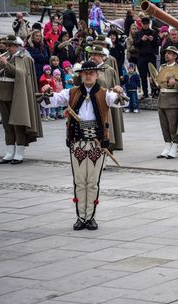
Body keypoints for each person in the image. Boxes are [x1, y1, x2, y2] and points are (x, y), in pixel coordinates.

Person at [40, 61, 128, 231]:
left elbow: (121, 102)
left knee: (93, 181)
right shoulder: (71, 92)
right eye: (85, 73)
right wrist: (47, 92)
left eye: (92, 72)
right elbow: (50, 101)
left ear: (97, 75)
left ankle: (91, 217)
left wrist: (119, 92)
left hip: (97, 144)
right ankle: (81, 217)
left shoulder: (104, 93)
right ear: (81, 75)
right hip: (77, 142)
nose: (89, 75)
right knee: (80, 181)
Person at [0, 35, 42, 164]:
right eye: (7, 45)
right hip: (1, 94)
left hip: (16, 95)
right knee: (7, 125)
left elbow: (20, 74)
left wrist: (6, 64)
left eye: (10, 46)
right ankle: (9, 151)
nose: (8, 48)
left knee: (18, 123)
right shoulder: (5, 57)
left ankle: (19, 152)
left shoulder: (23, 58)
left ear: (17, 46)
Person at [87, 45, 125, 151]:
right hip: (90, 103)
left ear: (102, 57)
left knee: (106, 130)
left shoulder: (108, 70)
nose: (93, 57)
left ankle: (107, 149)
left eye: (96, 55)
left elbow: (113, 87)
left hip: (104, 102)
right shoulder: (88, 68)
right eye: (92, 55)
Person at [133, 17, 159, 100]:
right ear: (142, 24)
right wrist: (141, 40)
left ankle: (154, 92)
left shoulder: (153, 32)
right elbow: (135, 44)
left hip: (151, 56)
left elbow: (157, 44)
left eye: (147, 24)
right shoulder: (138, 33)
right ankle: (145, 93)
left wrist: (153, 40)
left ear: (149, 24)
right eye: (144, 24)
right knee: (143, 76)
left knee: (153, 75)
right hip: (141, 56)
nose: (145, 26)